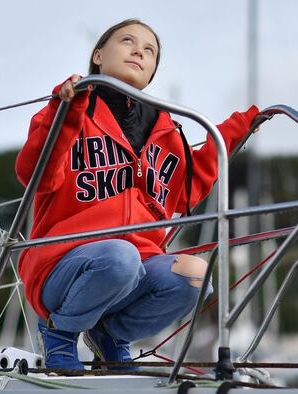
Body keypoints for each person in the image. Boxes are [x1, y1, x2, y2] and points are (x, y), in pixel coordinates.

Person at [15, 18, 259, 370]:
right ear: (98, 55)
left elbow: (185, 190)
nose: (138, 52)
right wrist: (66, 110)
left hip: (132, 267)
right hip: (62, 266)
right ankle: (58, 331)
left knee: (195, 274)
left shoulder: (165, 127)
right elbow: (33, 173)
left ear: (153, 70)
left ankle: (110, 335)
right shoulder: (70, 107)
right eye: (127, 41)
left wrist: (234, 132)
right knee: (121, 257)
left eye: (150, 51)